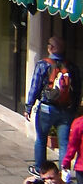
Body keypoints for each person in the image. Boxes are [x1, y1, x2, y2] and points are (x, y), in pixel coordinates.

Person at [34, 38, 80, 175]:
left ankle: (40, 169)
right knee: (64, 142)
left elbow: (35, 86)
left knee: (41, 139)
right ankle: (64, 172)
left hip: (46, 109)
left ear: (51, 48)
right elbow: (77, 90)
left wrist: (29, 106)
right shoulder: (72, 67)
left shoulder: (43, 65)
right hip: (66, 110)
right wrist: (74, 108)